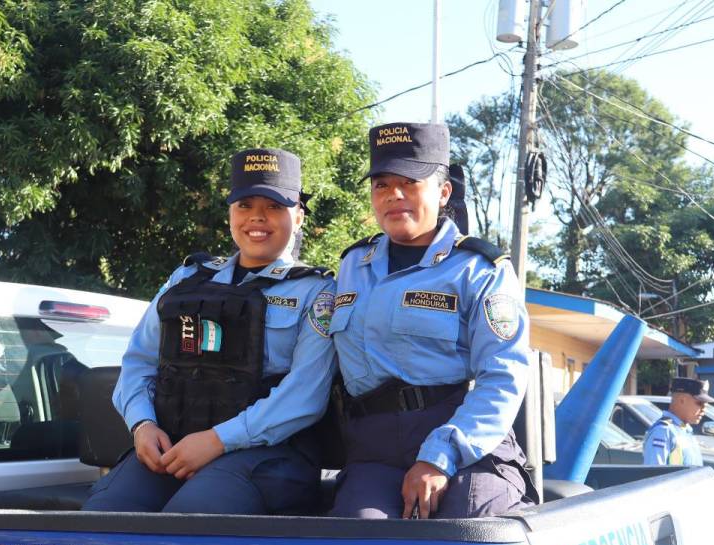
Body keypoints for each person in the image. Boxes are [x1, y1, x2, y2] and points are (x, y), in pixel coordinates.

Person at [83, 148, 336, 514]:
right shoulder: (186, 279)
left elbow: (304, 395)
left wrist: (218, 440)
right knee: (103, 519)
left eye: (274, 206)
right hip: (175, 445)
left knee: (190, 523)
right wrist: (142, 424)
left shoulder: (317, 292)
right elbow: (139, 360)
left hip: (268, 455)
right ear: (230, 212)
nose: (257, 217)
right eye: (244, 205)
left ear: (298, 216)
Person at [328, 122, 534, 520]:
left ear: (443, 193)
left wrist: (440, 456)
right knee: (360, 535)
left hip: (466, 436)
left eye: (410, 182)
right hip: (375, 449)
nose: (394, 195)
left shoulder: (479, 270)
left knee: (471, 525)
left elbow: (503, 375)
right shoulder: (352, 266)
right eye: (382, 185)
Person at [643, 377, 714, 466]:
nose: (703, 409)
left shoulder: (685, 430)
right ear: (682, 400)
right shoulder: (663, 432)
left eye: (705, 405)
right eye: (700, 403)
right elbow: (655, 472)